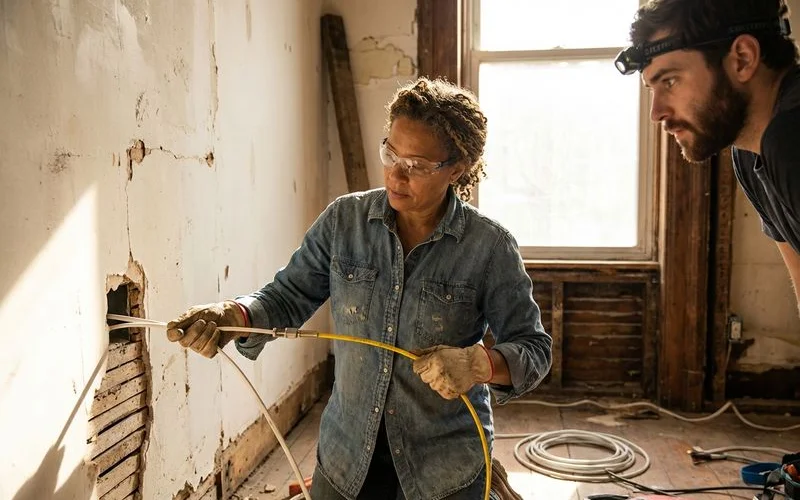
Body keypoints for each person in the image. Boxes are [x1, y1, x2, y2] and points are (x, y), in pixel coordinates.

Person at [166, 77, 552, 500]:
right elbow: (286, 296)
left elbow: (533, 349)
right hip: (347, 461)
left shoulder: (489, 246)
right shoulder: (344, 221)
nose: (395, 174)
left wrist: (478, 364)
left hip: (444, 470)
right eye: (390, 153)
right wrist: (234, 315)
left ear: (456, 169)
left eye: (418, 165)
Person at [615, 0, 800, 312]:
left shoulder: (790, 136)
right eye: (652, 89)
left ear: (742, 59)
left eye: (670, 81)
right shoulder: (749, 152)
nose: (657, 113)